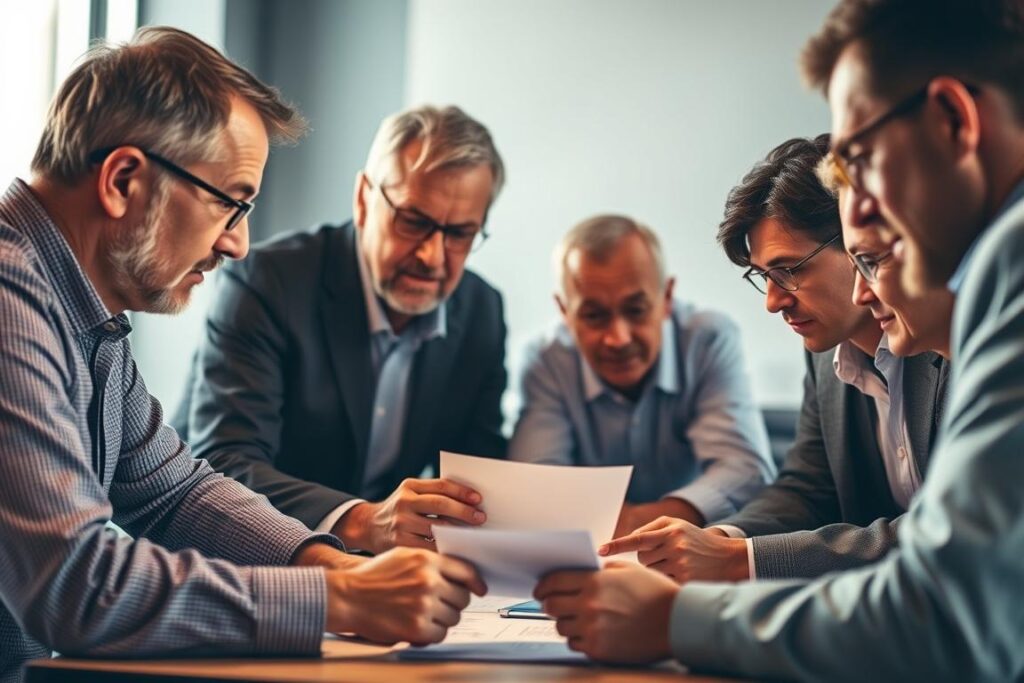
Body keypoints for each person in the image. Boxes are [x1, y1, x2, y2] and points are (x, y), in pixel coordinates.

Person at [537, 1, 1024, 679]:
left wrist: (678, 616)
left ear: (952, 121)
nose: (856, 210)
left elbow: (945, 602)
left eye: (857, 161)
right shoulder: (850, 339)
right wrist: (721, 541)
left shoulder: (1002, 268)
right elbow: (810, 486)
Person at [0, 28, 484, 683]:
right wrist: (337, 598)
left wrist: (340, 567)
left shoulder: (84, 313)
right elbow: (78, 586)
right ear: (122, 180)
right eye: (232, 202)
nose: (239, 244)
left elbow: (175, 492)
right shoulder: (10, 299)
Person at [601, 135, 949, 582]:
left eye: (788, 271)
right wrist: (722, 539)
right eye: (763, 276)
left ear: (858, 242)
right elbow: (807, 490)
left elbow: (952, 529)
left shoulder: (948, 343)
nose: (772, 301)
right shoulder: (825, 359)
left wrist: (741, 561)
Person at [176, 104, 507, 554]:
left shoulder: (481, 312)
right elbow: (225, 462)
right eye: (413, 222)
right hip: (238, 561)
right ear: (363, 198)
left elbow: (479, 473)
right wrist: (363, 520)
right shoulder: (268, 282)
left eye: (460, 234)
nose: (432, 255)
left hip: (378, 575)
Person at [508, 215, 774, 536]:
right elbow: (536, 484)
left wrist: (635, 524)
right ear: (564, 311)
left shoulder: (708, 339)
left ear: (667, 298)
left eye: (636, 310)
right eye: (594, 316)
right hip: (586, 556)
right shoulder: (544, 360)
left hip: (692, 549)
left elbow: (745, 469)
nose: (618, 338)